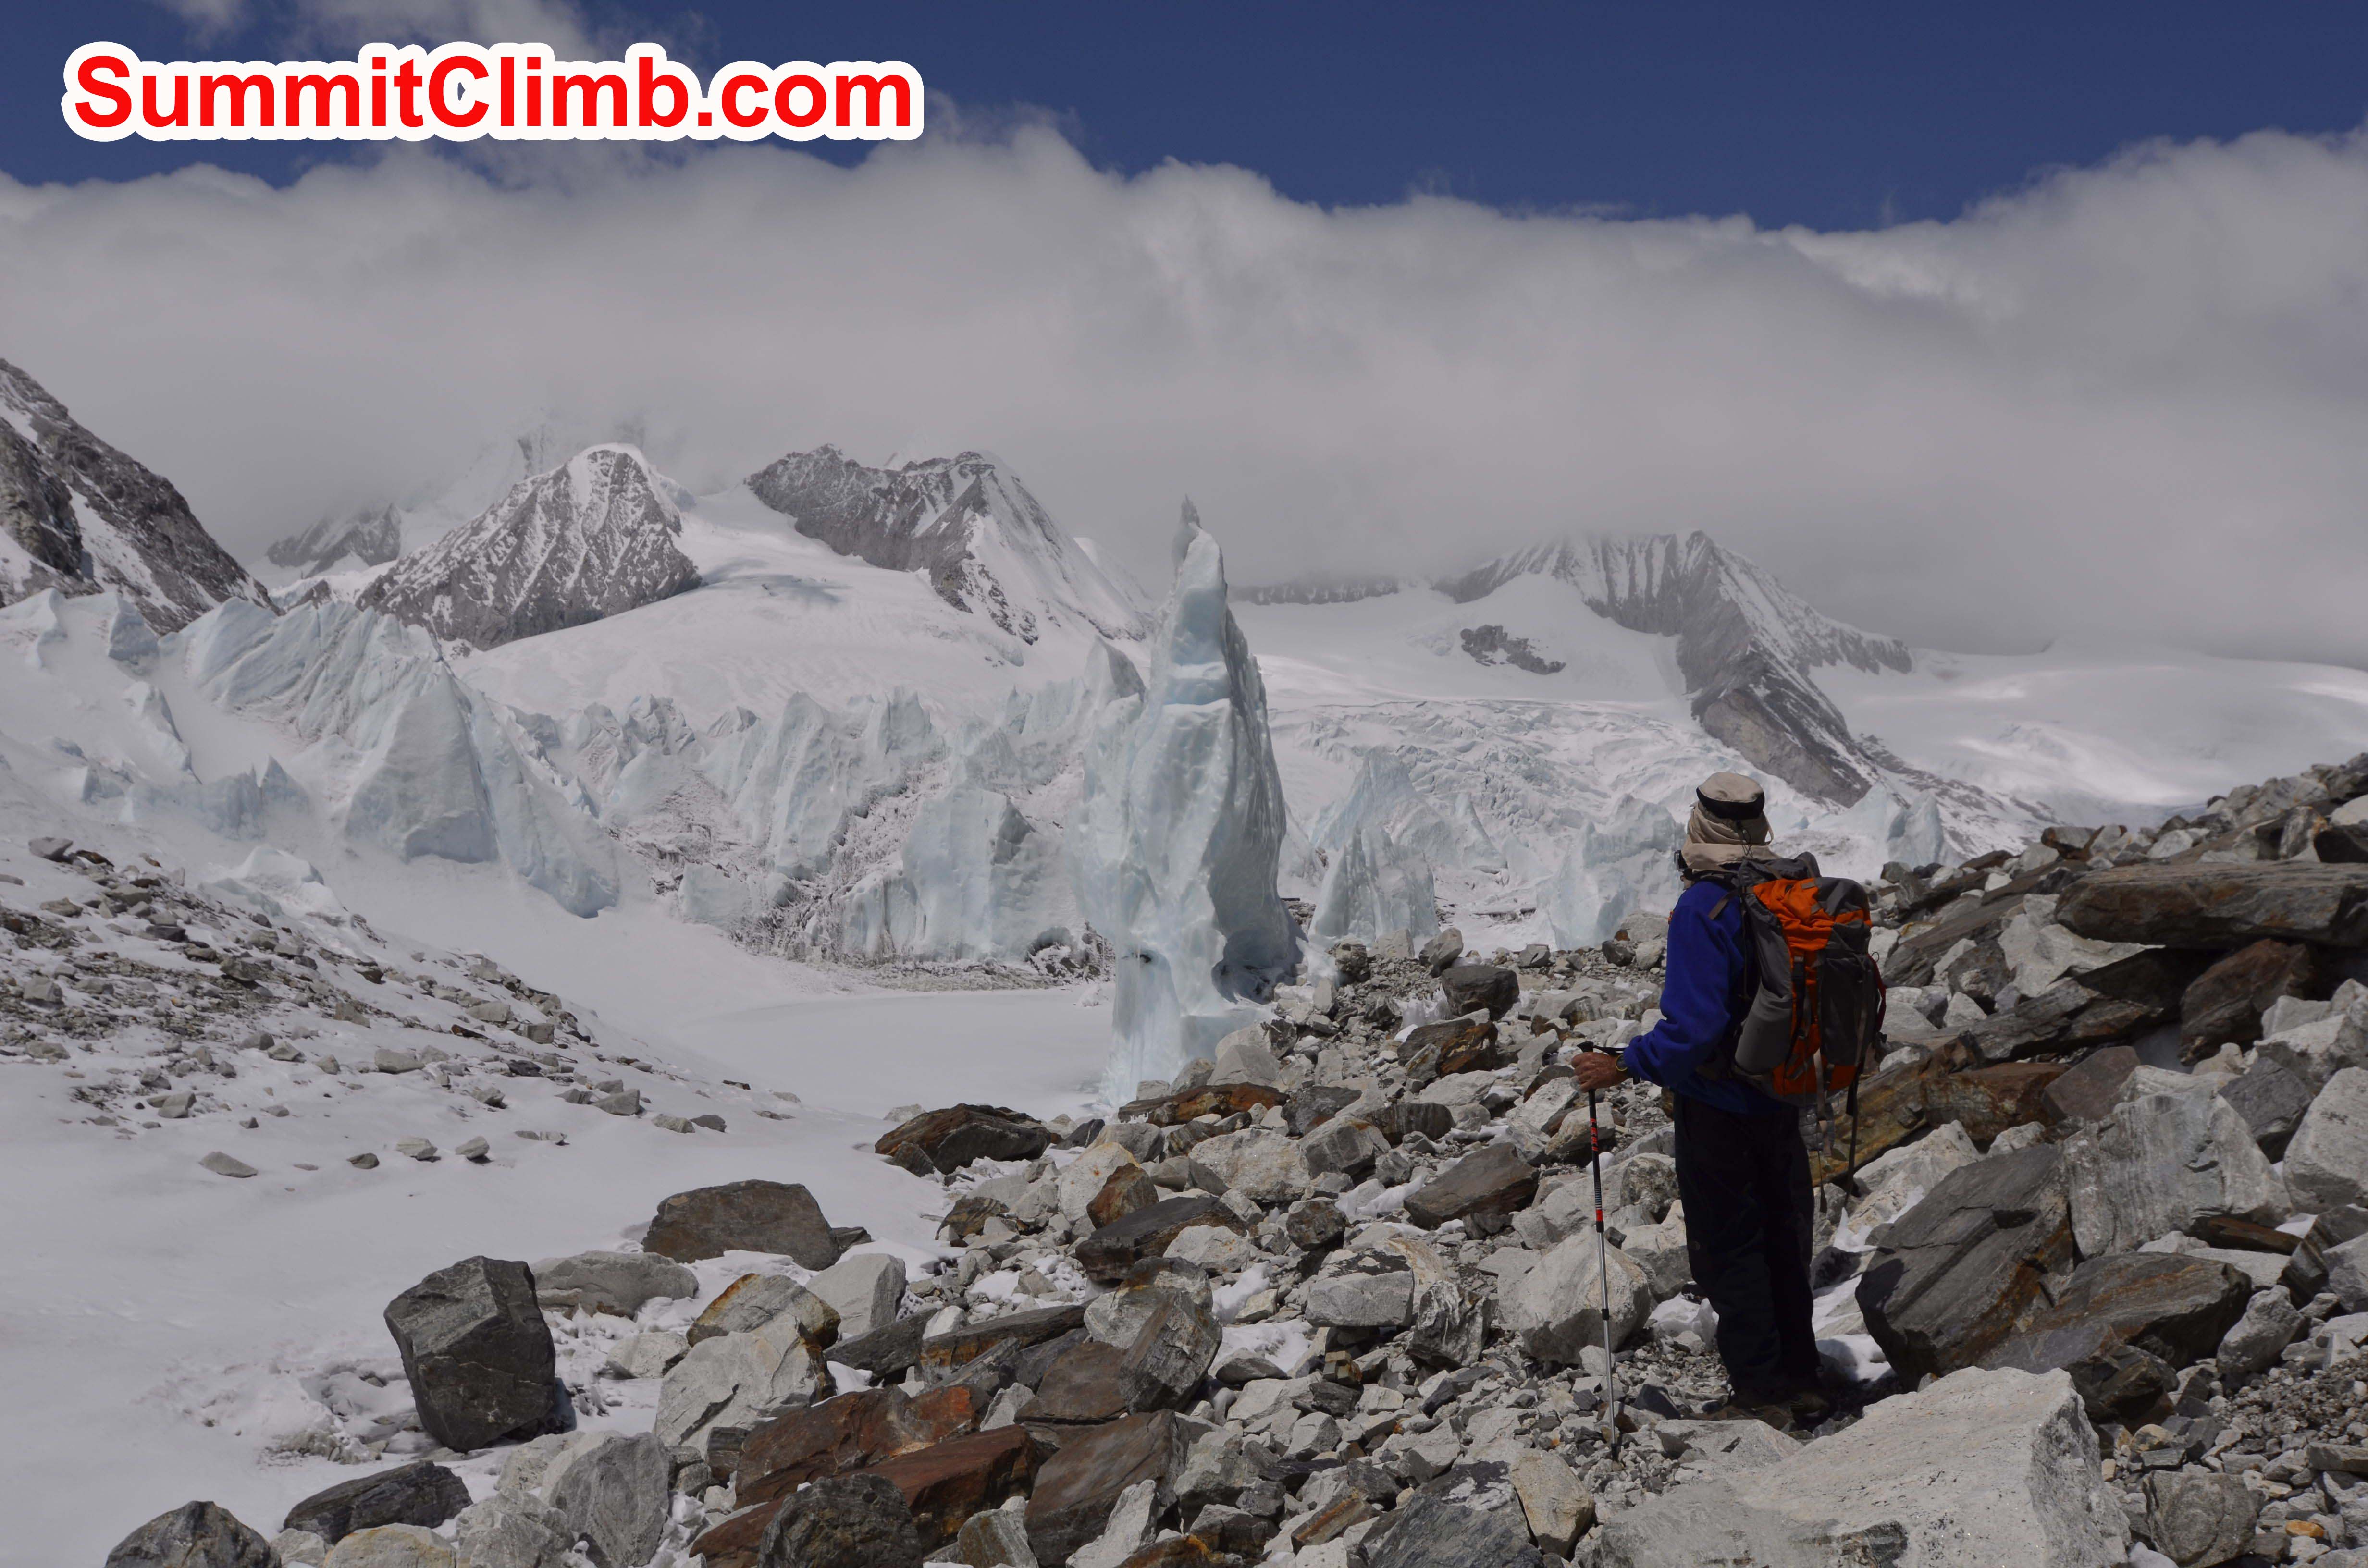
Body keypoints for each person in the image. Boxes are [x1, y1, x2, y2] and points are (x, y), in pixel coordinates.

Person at [1568, 770, 1827, 1423]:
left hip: (1720, 1105)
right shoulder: (1789, 891)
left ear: (1701, 826)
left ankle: (1763, 1394)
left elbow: (1695, 1028)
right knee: (1783, 1236)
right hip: (1784, 1093)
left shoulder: (1703, 907)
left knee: (1730, 1246)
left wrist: (1625, 1062)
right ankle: (1803, 1376)